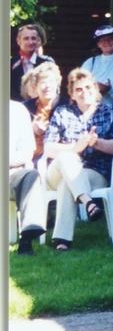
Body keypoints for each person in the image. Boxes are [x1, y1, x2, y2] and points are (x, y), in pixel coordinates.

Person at [42, 68, 113, 250]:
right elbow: (48, 147)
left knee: (67, 183)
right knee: (67, 157)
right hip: (57, 171)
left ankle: (62, 241)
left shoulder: (111, 112)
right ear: (72, 94)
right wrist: (76, 148)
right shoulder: (62, 112)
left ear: (96, 89)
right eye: (78, 89)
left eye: (88, 87)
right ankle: (88, 202)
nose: (84, 92)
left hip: (94, 173)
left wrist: (97, 143)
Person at [9, 98, 47, 255]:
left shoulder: (17, 110)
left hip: (11, 171)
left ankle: (27, 237)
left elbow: (27, 152)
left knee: (31, 176)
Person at [21, 61, 64, 165]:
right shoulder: (25, 107)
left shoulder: (66, 106)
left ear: (57, 85)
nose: (47, 86)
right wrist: (32, 129)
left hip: (54, 159)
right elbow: (15, 135)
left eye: (51, 81)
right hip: (26, 157)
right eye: (43, 82)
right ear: (36, 86)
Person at [10, 23, 53, 101]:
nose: (30, 42)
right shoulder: (11, 64)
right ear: (18, 40)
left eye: (33, 38)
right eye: (26, 38)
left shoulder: (46, 62)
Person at [81, 25, 113, 99]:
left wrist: (110, 89)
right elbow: (80, 84)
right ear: (98, 44)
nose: (107, 42)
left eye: (110, 39)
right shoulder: (90, 63)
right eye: (103, 40)